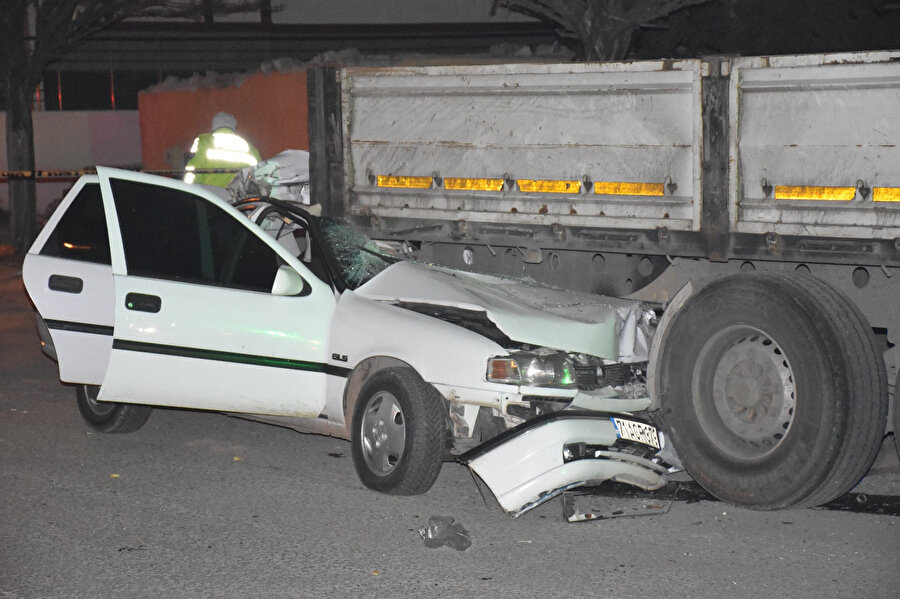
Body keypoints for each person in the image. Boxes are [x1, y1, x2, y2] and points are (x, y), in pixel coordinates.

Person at [183, 111, 261, 187]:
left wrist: (188, 191)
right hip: (240, 198)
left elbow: (193, 170)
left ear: (213, 127)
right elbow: (260, 177)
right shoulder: (251, 149)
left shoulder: (204, 141)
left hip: (211, 195)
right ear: (234, 128)